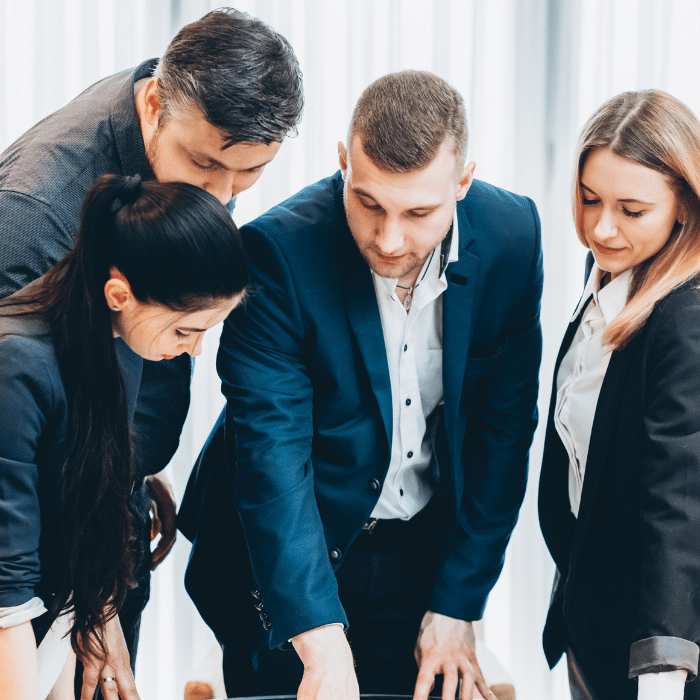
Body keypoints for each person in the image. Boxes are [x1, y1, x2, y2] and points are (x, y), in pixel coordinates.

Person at [180, 70, 543, 700]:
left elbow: (503, 437)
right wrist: (319, 643)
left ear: (463, 182)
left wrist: (459, 604)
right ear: (343, 162)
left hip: (421, 553)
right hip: (284, 554)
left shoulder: (513, 239)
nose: (389, 238)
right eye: (368, 201)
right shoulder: (275, 253)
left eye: (419, 212)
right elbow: (271, 461)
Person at [0, 5, 302, 681]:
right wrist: (90, 598)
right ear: (153, 103)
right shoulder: (37, 214)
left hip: (97, 535)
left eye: (248, 176)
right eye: (205, 166)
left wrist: (134, 478)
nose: (222, 197)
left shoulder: (194, 141)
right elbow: (20, 443)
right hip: (36, 561)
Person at [0, 173, 248, 700]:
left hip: (50, 608)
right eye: (185, 331)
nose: (195, 350)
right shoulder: (16, 365)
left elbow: (87, 493)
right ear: (120, 292)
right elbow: (6, 588)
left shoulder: (112, 336)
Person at [538, 89, 700, 700]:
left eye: (631, 210)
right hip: (596, 620)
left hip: (653, 653)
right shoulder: (609, 272)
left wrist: (661, 677)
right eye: (589, 199)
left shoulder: (686, 317)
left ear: (683, 206)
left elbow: (681, 506)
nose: (601, 228)